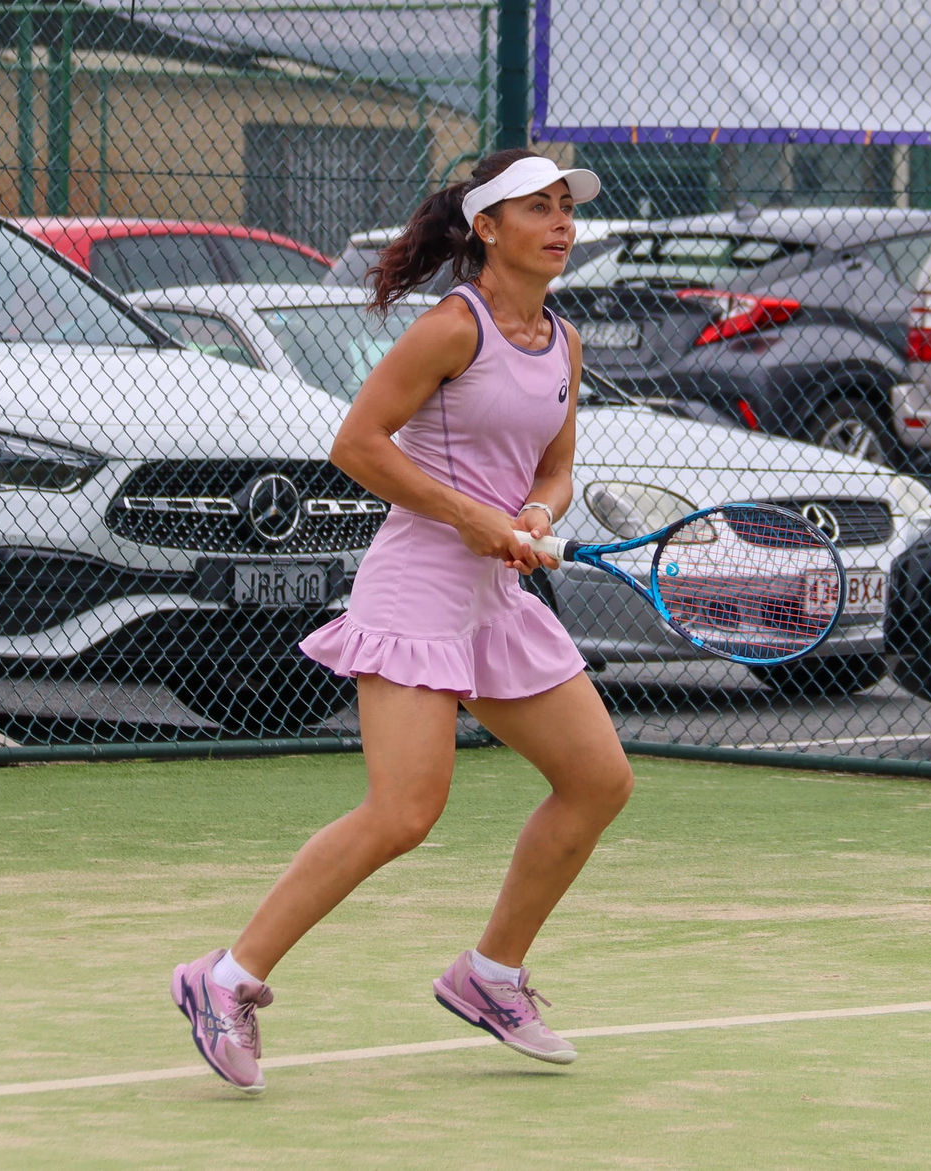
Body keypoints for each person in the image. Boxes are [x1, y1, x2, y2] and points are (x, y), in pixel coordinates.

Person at [170, 149, 636, 1095]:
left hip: (494, 597)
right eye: (537, 208)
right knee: (404, 811)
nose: (560, 223)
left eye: (566, 207)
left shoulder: (563, 341)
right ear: (486, 228)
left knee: (598, 780)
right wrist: (469, 516)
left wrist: (534, 515)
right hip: (416, 588)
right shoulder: (449, 329)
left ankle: (491, 974)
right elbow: (357, 444)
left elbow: (554, 468)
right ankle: (225, 976)